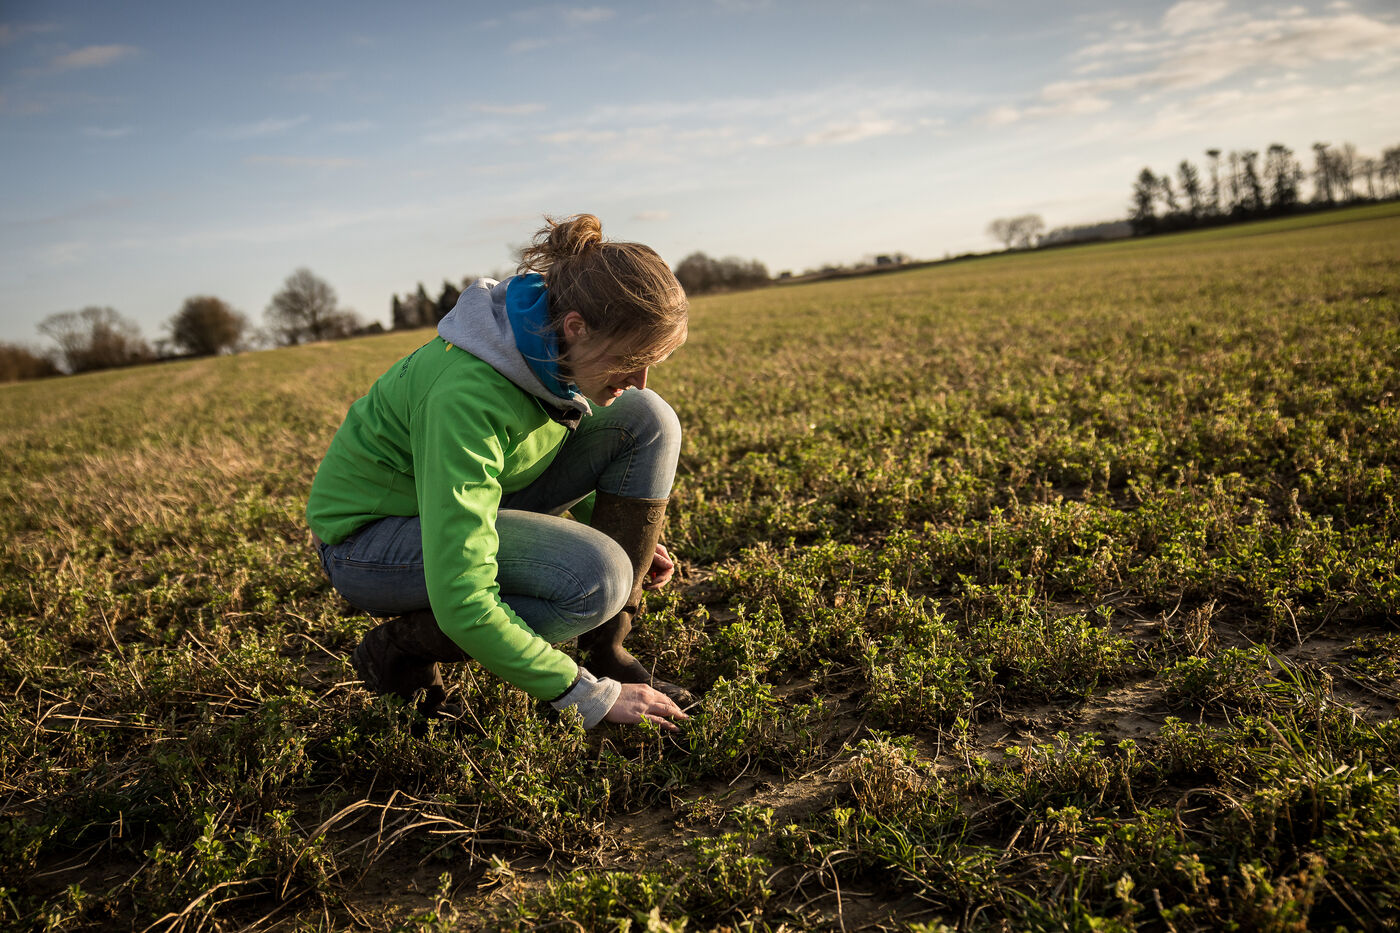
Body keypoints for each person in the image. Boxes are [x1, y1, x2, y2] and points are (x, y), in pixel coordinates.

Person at [307, 214, 693, 732]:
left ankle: (607, 651)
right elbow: (463, 595)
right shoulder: (466, 395)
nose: (640, 377)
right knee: (597, 576)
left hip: (460, 504)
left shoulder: (546, 350)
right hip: (369, 545)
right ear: (576, 327)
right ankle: (401, 648)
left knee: (647, 416)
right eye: (631, 358)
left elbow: (534, 452)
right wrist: (585, 697)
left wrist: (616, 528)